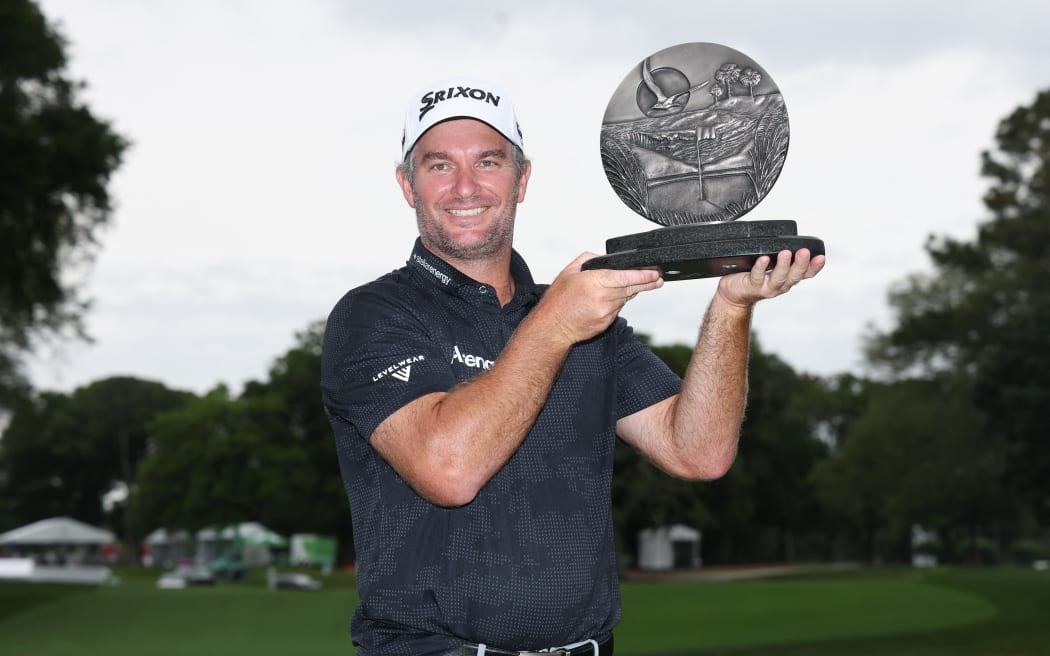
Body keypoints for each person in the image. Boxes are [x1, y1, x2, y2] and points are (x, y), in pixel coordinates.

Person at [321, 76, 824, 656]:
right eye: (438, 166)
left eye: (489, 161)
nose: (466, 186)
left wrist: (731, 308)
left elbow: (699, 451)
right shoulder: (374, 315)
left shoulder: (582, 319)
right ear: (408, 186)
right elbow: (448, 470)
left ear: (522, 179)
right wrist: (557, 325)